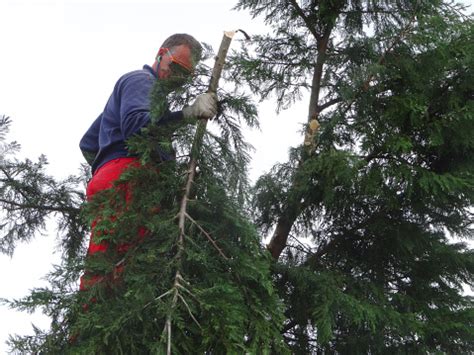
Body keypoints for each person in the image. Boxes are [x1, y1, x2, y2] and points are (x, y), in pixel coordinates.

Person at [79, 33, 217, 291]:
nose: (177, 77)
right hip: (130, 177)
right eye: (175, 67)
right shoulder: (142, 81)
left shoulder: (142, 93)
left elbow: (88, 143)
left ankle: (90, 326)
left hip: (116, 179)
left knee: (106, 265)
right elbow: (136, 128)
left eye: (185, 75)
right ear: (161, 53)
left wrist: (104, 170)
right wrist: (187, 114)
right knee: (127, 270)